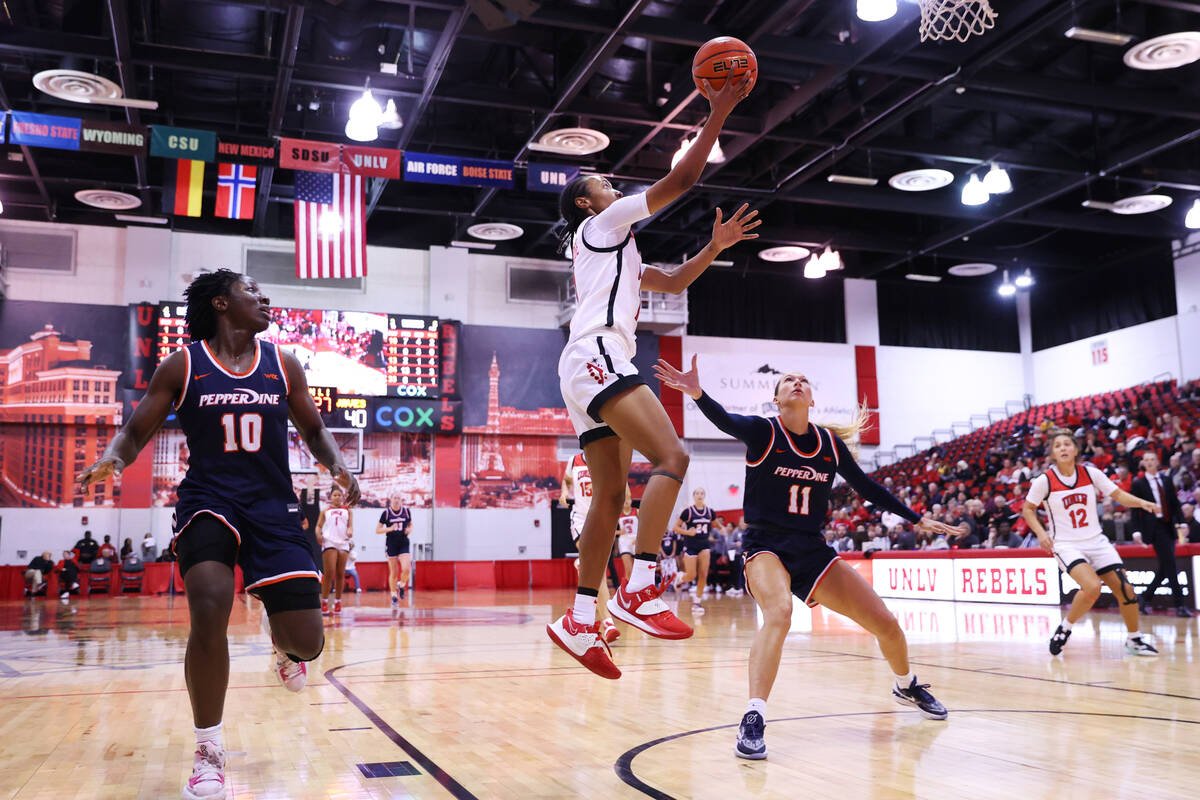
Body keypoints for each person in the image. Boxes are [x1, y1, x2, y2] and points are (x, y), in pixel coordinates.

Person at [77, 268, 360, 800]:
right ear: (221, 304)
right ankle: (208, 751)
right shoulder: (184, 365)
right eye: (252, 292)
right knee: (209, 604)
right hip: (210, 499)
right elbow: (138, 428)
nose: (264, 297)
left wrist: (340, 469)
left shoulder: (284, 363)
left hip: (273, 505)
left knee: (308, 641)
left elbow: (315, 429)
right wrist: (114, 459)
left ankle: (285, 651)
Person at [545, 72, 758, 680]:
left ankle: (582, 617)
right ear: (586, 203)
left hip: (584, 365)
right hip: (597, 355)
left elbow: (673, 281)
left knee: (611, 498)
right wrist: (716, 110)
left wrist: (714, 246)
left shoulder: (621, 252)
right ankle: (640, 585)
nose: (612, 185)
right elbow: (684, 180)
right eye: (602, 183)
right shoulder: (601, 226)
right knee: (673, 456)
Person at [655, 357, 959, 760]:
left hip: (812, 550)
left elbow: (866, 486)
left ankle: (906, 684)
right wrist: (696, 393)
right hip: (765, 544)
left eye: (803, 380)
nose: (796, 382)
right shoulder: (764, 432)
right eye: (787, 381)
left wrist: (916, 518)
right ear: (777, 399)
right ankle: (753, 715)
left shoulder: (829, 444)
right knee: (779, 612)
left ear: (812, 399)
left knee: (886, 624)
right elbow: (725, 420)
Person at [1021, 429, 1161, 657]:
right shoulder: (1044, 481)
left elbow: (1118, 495)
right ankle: (1065, 628)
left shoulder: (1090, 473)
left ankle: (1134, 639)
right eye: (1058, 446)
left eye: (1067, 444)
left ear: (1076, 450)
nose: (1063, 448)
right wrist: (1040, 532)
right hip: (1066, 544)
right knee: (1093, 586)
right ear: (1053, 454)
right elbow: (1027, 509)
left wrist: (1142, 503)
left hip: (1097, 541)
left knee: (1126, 590)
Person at [560, 453, 620, 646]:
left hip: (601, 518)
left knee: (598, 572)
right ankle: (609, 623)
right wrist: (563, 492)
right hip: (580, 518)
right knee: (596, 568)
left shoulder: (605, 457)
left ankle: (607, 625)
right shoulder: (574, 460)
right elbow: (567, 480)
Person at [1132, 451, 1192, 617]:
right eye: (1147, 460)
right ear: (1143, 463)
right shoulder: (1138, 483)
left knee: (1166, 567)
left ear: (1157, 461)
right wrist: (1136, 531)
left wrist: (1182, 522)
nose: (1150, 462)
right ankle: (1180, 605)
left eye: (1152, 459)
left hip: (1168, 526)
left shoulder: (1166, 480)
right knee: (1171, 565)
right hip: (1154, 528)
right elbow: (1134, 509)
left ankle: (1144, 598)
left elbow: (1174, 504)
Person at [674, 487, 716, 615]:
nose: (700, 495)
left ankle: (697, 602)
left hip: (704, 545)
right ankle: (681, 577)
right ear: (693, 496)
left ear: (704, 496)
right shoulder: (687, 512)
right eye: (697, 493)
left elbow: (714, 524)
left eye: (702, 493)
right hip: (690, 545)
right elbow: (676, 528)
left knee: (703, 574)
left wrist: (722, 529)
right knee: (691, 575)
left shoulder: (710, 512)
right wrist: (687, 532)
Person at [316, 486, 353, 616]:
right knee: (329, 572)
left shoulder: (348, 510)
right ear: (331, 497)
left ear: (343, 497)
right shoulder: (326, 511)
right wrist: (318, 534)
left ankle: (338, 601)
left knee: (340, 574)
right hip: (329, 541)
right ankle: (324, 601)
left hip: (343, 542)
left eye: (339, 495)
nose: (337, 497)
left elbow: (350, 526)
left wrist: (350, 531)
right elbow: (318, 526)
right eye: (335, 495)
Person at [376, 491, 412, 605]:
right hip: (391, 543)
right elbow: (377, 530)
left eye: (399, 498)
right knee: (394, 572)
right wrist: (389, 529)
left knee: (406, 568)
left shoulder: (406, 511)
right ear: (391, 499)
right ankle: (393, 596)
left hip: (403, 542)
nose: (397, 500)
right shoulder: (386, 513)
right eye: (395, 498)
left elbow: (410, 524)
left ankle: (401, 585)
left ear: (401, 500)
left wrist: (410, 529)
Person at [616, 490, 639, 587]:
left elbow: (645, 525)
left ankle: (635, 589)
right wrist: (619, 532)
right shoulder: (617, 514)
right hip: (624, 541)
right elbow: (609, 530)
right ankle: (627, 591)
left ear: (631, 501)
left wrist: (639, 538)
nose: (626, 501)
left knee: (636, 570)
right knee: (628, 569)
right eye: (625, 499)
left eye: (628, 499)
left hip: (635, 540)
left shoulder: (637, 511)